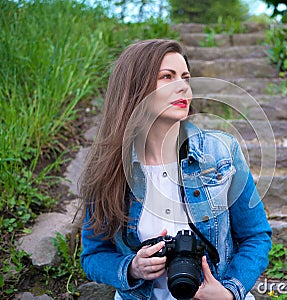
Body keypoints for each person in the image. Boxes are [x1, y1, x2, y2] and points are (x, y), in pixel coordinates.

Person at [79, 39, 272, 300]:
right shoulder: (108, 168)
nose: (182, 86)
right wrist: (133, 267)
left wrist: (229, 291)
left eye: (186, 77)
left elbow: (256, 235)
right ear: (136, 88)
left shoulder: (221, 153)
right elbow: (93, 255)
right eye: (166, 77)